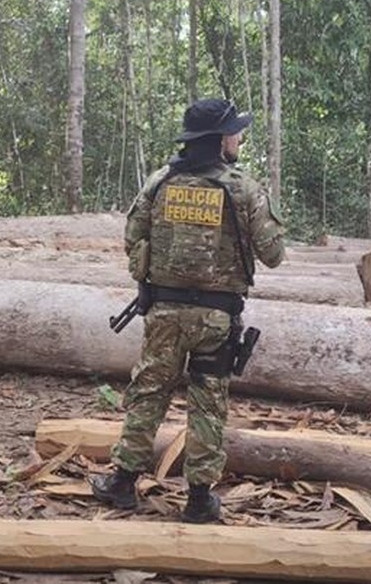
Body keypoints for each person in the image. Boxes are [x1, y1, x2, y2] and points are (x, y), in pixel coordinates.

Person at [90, 98, 285, 524]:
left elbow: (133, 237)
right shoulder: (243, 188)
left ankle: (123, 484)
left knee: (148, 393)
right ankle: (198, 499)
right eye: (234, 132)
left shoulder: (159, 182)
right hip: (216, 318)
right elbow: (274, 254)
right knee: (208, 404)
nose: (239, 137)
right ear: (218, 142)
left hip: (162, 312)